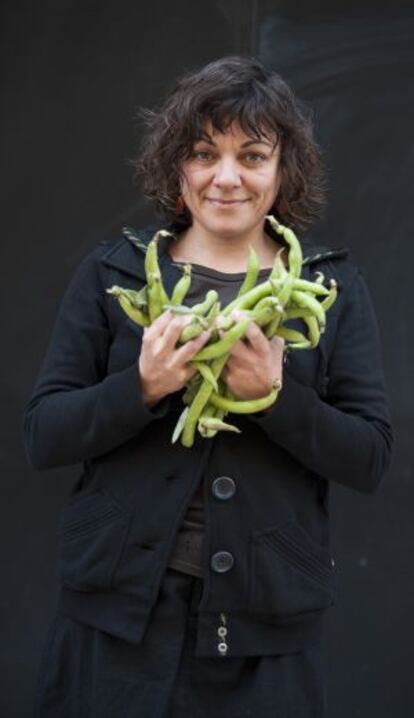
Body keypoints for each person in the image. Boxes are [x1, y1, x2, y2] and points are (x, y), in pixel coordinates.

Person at [24, 56, 393, 717]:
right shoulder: (114, 275)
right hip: (116, 624)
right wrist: (139, 386)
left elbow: (368, 456)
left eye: (252, 155)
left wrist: (274, 399)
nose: (227, 177)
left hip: (265, 637)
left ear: (283, 173)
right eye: (203, 153)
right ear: (178, 169)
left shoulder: (335, 291)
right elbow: (43, 434)